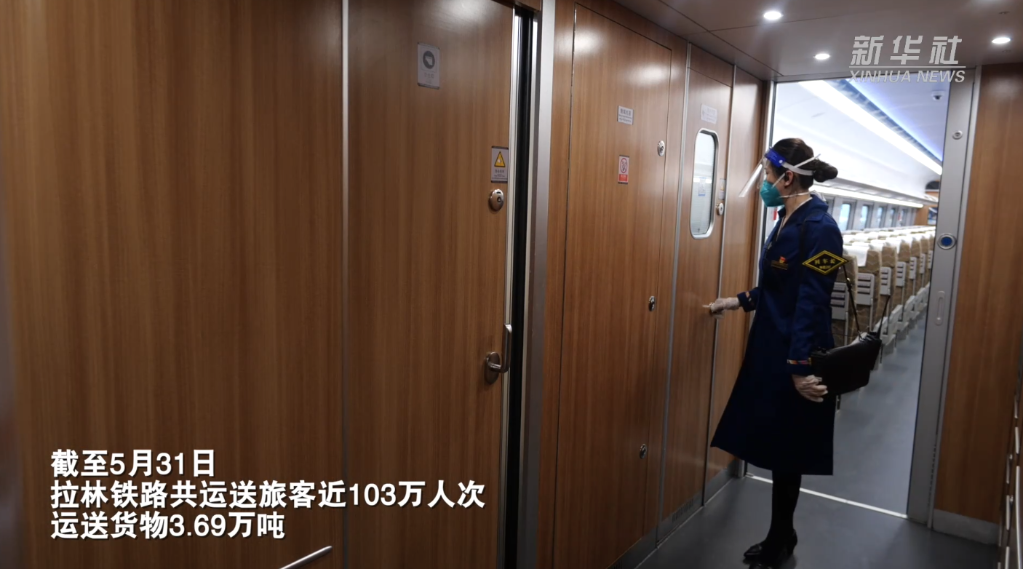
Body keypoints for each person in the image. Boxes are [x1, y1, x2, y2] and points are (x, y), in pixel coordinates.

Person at [707, 138, 844, 569]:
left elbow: (812, 301)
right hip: (770, 348)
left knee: (789, 451)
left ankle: (780, 539)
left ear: (787, 178)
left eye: (767, 175)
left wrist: (800, 367)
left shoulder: (822, 228)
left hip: (796, 354)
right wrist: (737, 301)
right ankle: (781, 534)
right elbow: (778, 287)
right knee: (775, 444)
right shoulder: (785, 219)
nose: (764, 183)